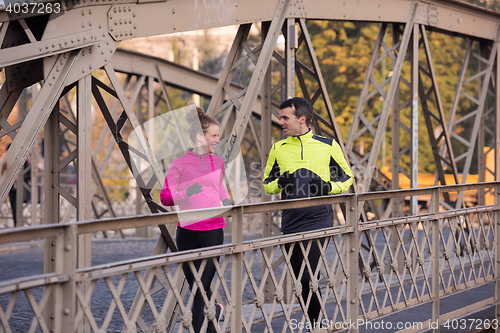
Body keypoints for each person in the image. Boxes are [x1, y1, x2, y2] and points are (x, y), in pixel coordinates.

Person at [262, 97, 353, 326]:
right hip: (291, 220)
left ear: (301, 119)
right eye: (280, 117)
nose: (280, 122)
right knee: (299, 279)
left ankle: (317, 324)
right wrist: (281, 181)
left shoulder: (328, 144)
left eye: (285, 118)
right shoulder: (278, 148)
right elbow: (267, 183)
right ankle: (316, 321)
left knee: (308, 273)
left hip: (319, 216)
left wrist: (328, 187)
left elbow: (347, 177)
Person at [160, 105, 231, 333]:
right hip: (187, 233)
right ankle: (216, 312)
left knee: (202, 287)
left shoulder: (218, 163)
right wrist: (185, 194)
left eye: (218, 135)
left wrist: (229, 203)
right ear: (200, 137)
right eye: (214, 136)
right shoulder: (179, 164)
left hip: (213, 230)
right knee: (197, 288)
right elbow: (165, 197)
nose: (218, 140)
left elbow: (219, 188)